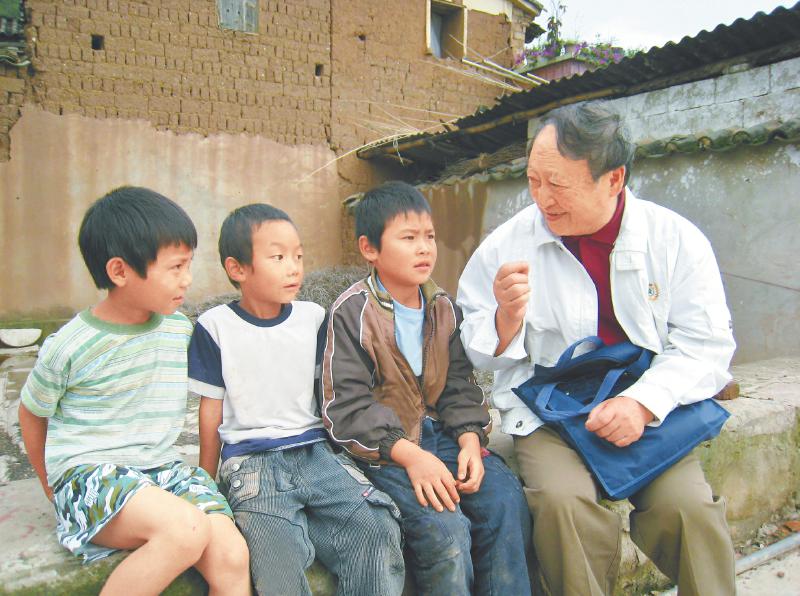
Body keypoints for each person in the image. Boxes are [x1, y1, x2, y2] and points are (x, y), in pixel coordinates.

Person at [457, 102, 737, 595]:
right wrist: (505, 319)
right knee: (561, 507)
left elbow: (706, 345)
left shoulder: (674, 239)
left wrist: (642, 403)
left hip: (647, 401)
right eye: (533, 181)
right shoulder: (507, 244)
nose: (542, 199)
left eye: (558, 184)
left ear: (614, 179)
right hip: (549, 409)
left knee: (688, 509)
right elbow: (473, 346)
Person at [18, 186, 250, 595]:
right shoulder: (71, 345)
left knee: (231, 554)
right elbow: (32, 411)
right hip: (91, 473)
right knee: (186, 530)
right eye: (175, 267)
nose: (187, 279)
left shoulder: (178, 330)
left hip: (162, 471)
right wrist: (50, 484)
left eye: (188, 264)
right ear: (120, 272)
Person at [321, 181, 532, 595]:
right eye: (408, 238)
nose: (424, 249)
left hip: (445, 439)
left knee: (505, 502)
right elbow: (346, 408)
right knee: (445, 532)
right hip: (387, 453)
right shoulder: (352, 313)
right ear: (369, 249)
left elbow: (459, 385)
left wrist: (470, 441)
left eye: (429, 237)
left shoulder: (442, 307)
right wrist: (412, 457)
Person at [188, 203, 405, 596]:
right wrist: (205, 484)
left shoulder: (314, 318)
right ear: (237, 268)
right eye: (278, 258)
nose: (294, 268)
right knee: (275, 556)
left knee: (376, 526)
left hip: (316, 453)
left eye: (299, 256)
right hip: (252, 464)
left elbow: (331, 392)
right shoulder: (215, 327)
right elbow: (211, 410)